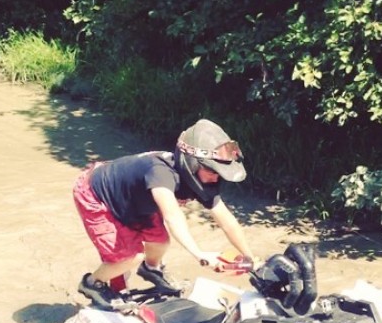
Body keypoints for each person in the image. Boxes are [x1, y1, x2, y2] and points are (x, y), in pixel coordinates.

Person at [73, 118, 255, 308]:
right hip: (96, 194)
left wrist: (250, 258)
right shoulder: (161, 173)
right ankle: (92, 284)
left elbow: (227, 221)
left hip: (135, 199)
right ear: (191, 163)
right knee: (129, 257)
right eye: (212, 170)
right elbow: (172, 217)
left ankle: (151, 269)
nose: (216, 177)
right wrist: (199, 255)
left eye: (219, 172)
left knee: (160, 242)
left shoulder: (205, 180)